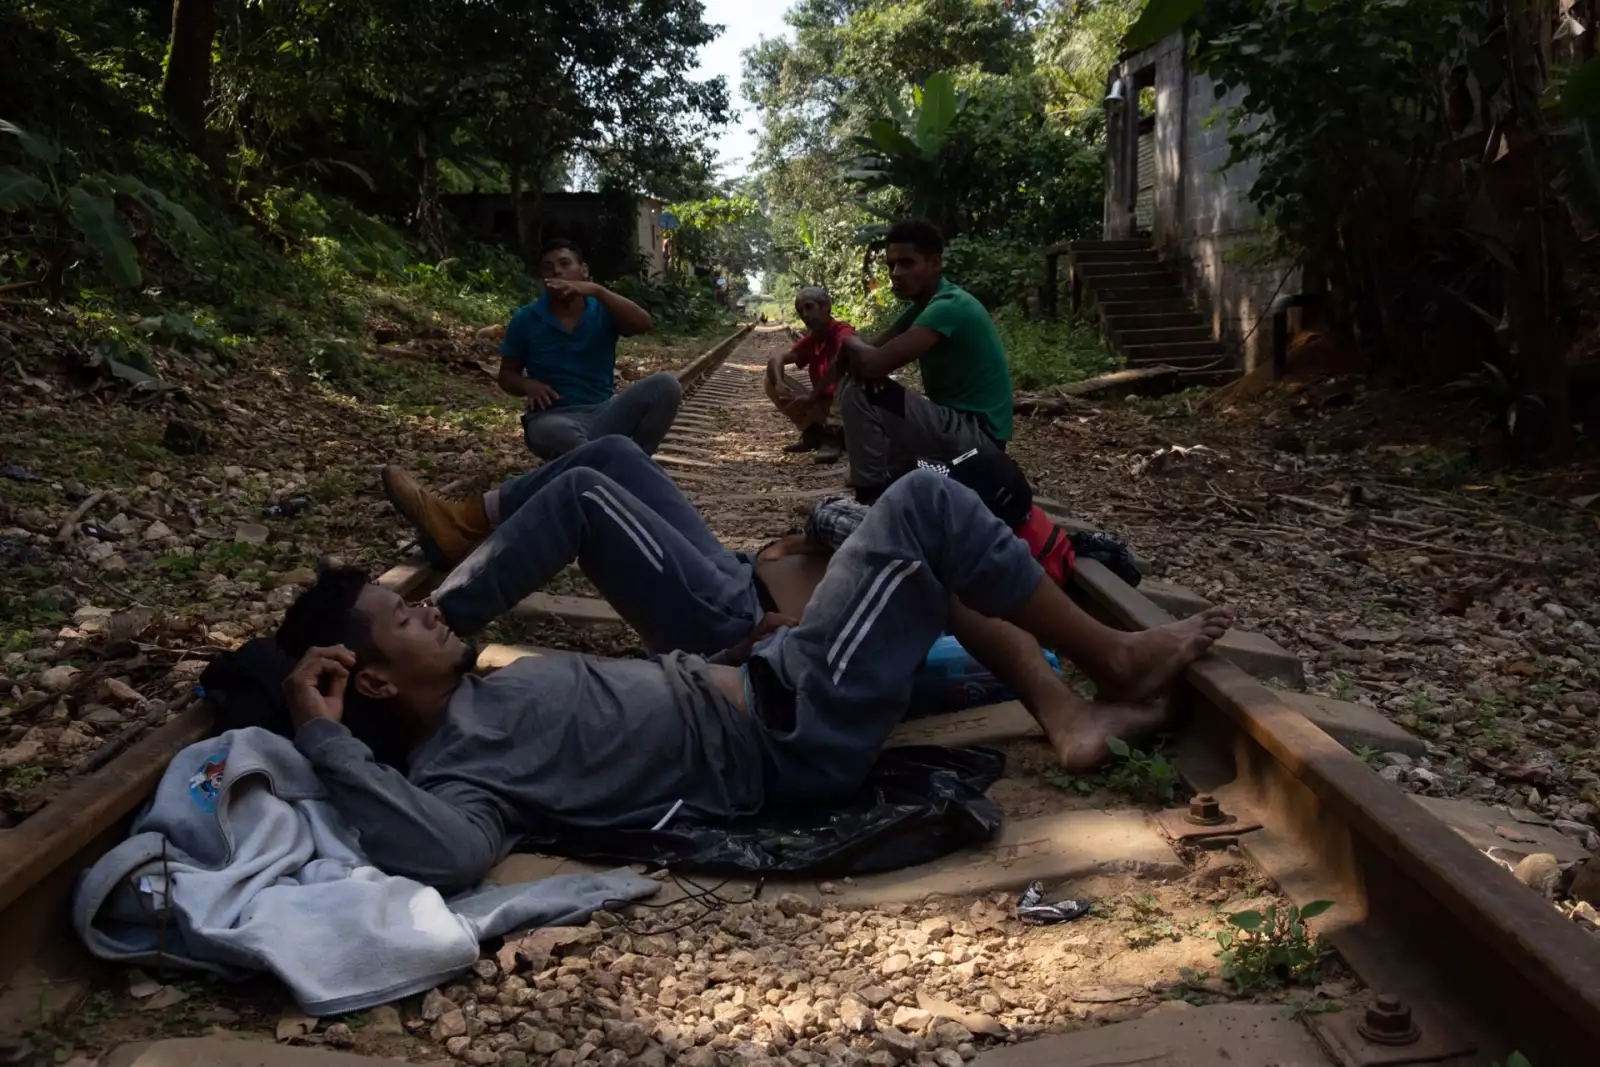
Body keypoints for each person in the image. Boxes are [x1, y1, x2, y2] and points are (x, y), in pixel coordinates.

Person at [279, 469, 1234, 891]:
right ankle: (1109, 660)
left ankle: (1075, 705)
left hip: (768, 680)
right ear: (364, 684)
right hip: (791, 729)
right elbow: (445, 855)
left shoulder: (480, 694)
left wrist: (715, 662)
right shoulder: (458, 770)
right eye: (409, 616)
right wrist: (318, 736)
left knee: (913, 547)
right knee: (925, 504)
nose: (434, 609)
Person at [833, 220, 1015, 504]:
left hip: (978, 439)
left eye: (907, 263)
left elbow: (871, 363)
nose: (896, 274)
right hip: (959, 431)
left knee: (862, 391)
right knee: (870, 393)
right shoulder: (923, 306)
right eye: (891, 265)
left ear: (935, 263)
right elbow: (871, 350)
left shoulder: (948, 306)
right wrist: (855, 351)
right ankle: (890, 477)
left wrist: (848, 341)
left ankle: (868, 499)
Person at [497, 239, 681, 459]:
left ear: (584, 270)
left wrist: (597, 291)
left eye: (565, 264)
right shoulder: (526, 319)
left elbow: (644, 324)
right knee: (557, 433)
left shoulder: (603, 310)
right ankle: (611, 467)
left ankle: (637, 461)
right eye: (549, 267)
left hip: (604, 411)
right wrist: (527, 384)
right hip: (553, 418)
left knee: (666, 385)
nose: (557, 270)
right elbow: (506, 375)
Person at [765, 287, 854, 459]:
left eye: (809, 307)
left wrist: (813, 396)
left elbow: (839, 363)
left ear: (825, 306)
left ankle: (833, 436)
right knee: (769, 379)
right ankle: (813, 433)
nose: (804, 315)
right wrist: (779, 384)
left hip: (849, 409)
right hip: (824, 405)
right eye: (800, 311)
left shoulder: (843, 332)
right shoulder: (814, 340)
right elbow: (776, 359)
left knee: (844, 375)